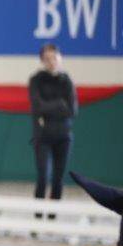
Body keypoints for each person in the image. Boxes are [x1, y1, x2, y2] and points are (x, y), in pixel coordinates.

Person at [28, 43, 77, 215]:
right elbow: (37, 106)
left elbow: (72, 110)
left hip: (63, 136)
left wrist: (49, 108)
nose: (51, 62)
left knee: (58, 178)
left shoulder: (66, 80)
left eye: (54, 58)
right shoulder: (36, 80)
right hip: (43, 136)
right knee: (43, 176)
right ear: (42, 60)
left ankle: (52, 216)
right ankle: (38, 214)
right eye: (47, 58)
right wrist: (59, 104)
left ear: (60, 58)